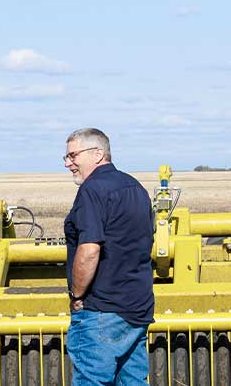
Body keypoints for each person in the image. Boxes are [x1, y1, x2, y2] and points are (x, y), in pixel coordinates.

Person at [60, 128, 156, 385]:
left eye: (73, 156)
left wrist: (77, 295)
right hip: (137, 308)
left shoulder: (92, 190)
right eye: (66, 157)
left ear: (98, 153)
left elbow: (90, 249)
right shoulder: (135, 187)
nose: (69, 163)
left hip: (101, 311)